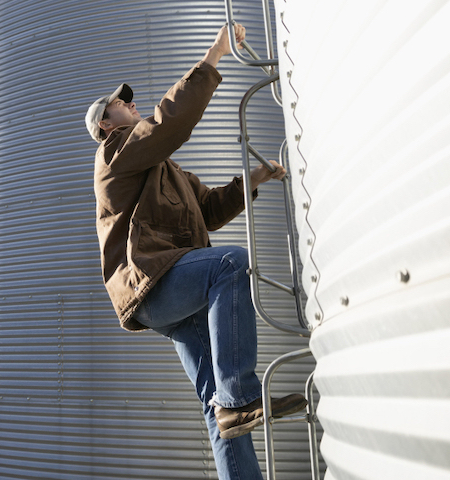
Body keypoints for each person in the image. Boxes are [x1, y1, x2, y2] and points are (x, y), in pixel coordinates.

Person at [84, 24, 307, 479]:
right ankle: (242, 393)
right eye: (119, 103)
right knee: (231, 264)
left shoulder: (165, 170)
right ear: (105, 124)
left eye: (129, 98)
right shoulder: (115, 153)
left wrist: (253, 182)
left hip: (174, 290)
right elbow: (170, 122)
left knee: (218, 412)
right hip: (153, 283)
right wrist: (213, 56)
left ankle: (233, 406)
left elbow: (206, 211)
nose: (129, 101)